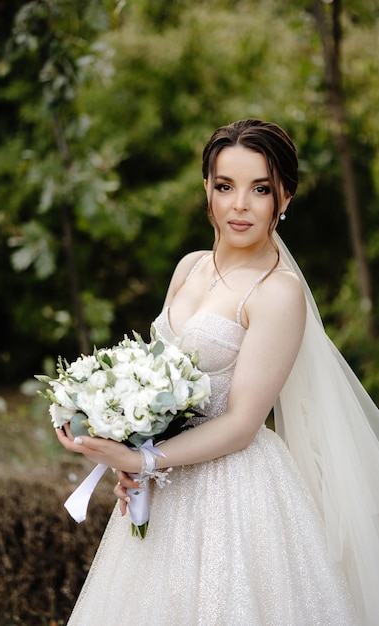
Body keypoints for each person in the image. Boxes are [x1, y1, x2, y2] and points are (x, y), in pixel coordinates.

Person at [56, 119, 379, 625]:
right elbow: (156, 378)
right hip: (163, 482)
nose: (239, 205)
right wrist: (124, 438)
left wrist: (143, 460)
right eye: (225, 186)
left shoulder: (278, 292)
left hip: (236, 490)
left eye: (260, 189)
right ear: (207, 188)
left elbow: (242, 422)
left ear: (285, 199)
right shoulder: (189, 267)